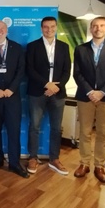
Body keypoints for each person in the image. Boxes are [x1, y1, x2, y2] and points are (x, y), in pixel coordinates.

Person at [73, 16, 105, 184]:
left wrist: (101, 92)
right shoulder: (80, 49)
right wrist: (90, 91)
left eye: (102, 25)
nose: (98, 28)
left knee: (103, 133)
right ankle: (84, 164)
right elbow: (77, 73)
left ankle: (99, 166)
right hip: (85, 97)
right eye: (95, 26)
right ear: (91, 29)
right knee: (84, 132)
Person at [0, 20, 29, 178]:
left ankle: (14, 163)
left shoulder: (17, 48)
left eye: (2, 28)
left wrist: (11, 89)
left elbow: (21, 70)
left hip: (12, 97)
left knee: (14, 131)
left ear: (7, 30)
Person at [26, 16, 71, 175]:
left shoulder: (64, 47)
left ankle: (54, 159)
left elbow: (67, 71)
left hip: (58, 93)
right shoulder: (32, 46)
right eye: (46, 27)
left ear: (56, 27)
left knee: (56, 129)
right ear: (41, 28)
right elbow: (29, 70)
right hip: (38, 92)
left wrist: (55, 87)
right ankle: (32, 157)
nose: (49, 30)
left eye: (52, 27)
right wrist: (47, 84)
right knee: (34, 127)